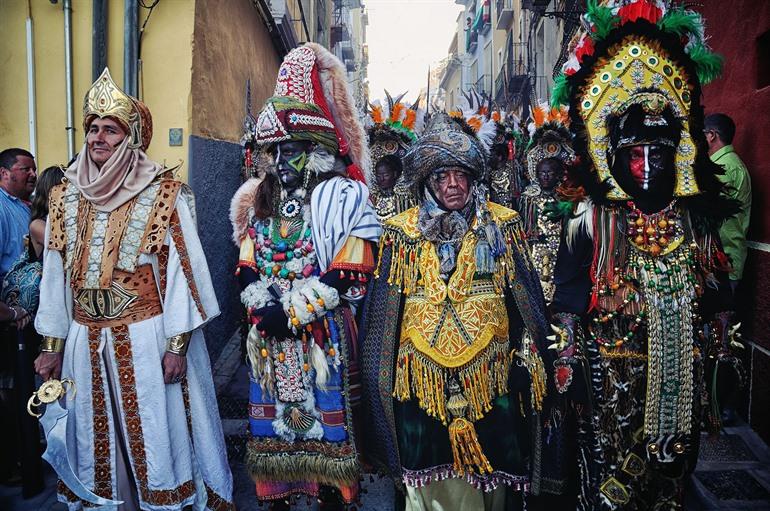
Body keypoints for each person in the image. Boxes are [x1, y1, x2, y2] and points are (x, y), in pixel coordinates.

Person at [548, 1, 741, 508]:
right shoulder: (591, 220)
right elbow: (568, 295)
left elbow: (716, 286)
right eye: (635, 153)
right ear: (612, 155)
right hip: (610, 386)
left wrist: (721, 331)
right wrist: (566, 358)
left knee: (670, 483)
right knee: (610, 487)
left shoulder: (693, 220)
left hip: (680, 383)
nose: (648, 166)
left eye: (658, 152)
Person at [33, 68, 234, 510]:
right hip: (84, 340)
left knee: (155, 431)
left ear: (130, 138)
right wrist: (52, 343)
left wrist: (177, 345)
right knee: (92, 433)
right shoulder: (64, 197)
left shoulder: (164, 193)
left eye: (109, 129)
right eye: (92, 128)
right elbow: (54, 274)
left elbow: (184, 271)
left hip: (147, 336)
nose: (97, 137)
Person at [361, 112, 554, 510]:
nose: (453, 185)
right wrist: (383, 375)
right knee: (428, 477)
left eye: (461, 175)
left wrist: (527, 355)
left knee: (491, 475)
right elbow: (385, 314)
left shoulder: (502, 225)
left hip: (491, 376)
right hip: (420, 380)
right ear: (427, 182)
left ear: (472, 177)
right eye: (442, 176)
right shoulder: (401, 231)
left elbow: (523, 298)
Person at [230, 43, 381, 508]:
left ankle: (332, 498)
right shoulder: (261, 201)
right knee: (274, 436)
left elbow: (352, 264)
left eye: (292, 150)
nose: (281, 161)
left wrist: (293, 311)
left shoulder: (341, 198)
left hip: (322, 334)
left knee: (331, 441)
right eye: (275, 151)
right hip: (270, 339)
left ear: (314, 152)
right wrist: (261, 305)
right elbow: (246, 262)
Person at [519, 103, 575, 304]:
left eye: (550, 173)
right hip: (536, 253)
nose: (545, 177)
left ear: (559, 174)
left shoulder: (568, 198)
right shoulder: (529, 197)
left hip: (562, 254)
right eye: (542, 173)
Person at [705, 113, 751, 293]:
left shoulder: (724, 168)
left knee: (722, 315)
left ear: (711, 135)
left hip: (724, 260)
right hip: (725, 257)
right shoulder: (727, 163)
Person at [367, 92, 423, 221]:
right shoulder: (370, 197)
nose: (381, 179)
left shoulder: (408, 198)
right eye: (379, 175)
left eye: (386, 175)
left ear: (396, 174)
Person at [0, 148, 36, 281]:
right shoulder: (2, 207)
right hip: (8, 297)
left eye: (34, 170)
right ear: (4, 173)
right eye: (26, 169)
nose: (33, 174)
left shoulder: (29, 205)